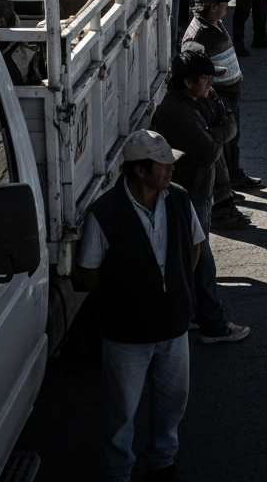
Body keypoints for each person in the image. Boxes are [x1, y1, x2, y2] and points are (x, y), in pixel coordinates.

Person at [76, 130, 206, 482]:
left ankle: (163, 462)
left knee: (172, 404)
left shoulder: (178, 199)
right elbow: (88, 271)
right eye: (163, 164)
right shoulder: (104, 213)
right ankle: (119, 472)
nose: (171, 169)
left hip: (173, 328)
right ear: (140, 171)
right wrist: (124, 298)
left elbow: (194, 246)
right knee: (121, 413)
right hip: (127, 335)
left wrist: (175, 288)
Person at [151, 47, 251, 346]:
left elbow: (229, 123)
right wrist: (216, 135)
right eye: (205, 79)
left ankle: (193, 313)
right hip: (187, 196)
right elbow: (208, 152)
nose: (211, 84)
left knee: (194, 259)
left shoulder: (203, 99)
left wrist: (213, 133)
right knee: (201, 260)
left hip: (203, 191)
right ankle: (214, 325)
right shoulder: (175, 111)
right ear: (188, 82)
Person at [182, 0, 261, 192]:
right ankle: (226, 189)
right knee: (225, 142)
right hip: (219, 97)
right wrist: (214, 72)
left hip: (230, 94)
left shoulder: (214, 23)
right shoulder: (197, 34)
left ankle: (235, 177)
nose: (227, 8)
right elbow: (192, 69)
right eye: (224, 4)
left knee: (233, 139)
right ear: (213, 7)